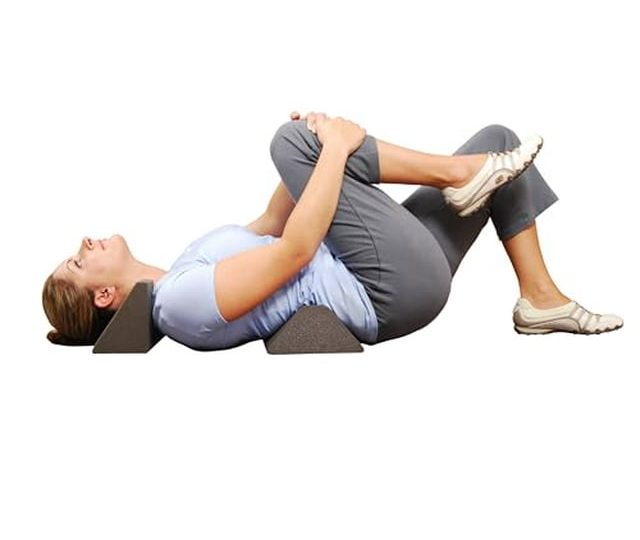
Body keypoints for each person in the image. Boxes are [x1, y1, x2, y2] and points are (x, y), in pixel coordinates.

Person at [42, 112, 623, 349]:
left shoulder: (185, 267)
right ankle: (457, 175)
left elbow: (275, 224)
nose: (85, 243)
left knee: (497, 142)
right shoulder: (179, 305)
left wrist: (315, 148)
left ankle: (540, 299)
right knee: (292, 144)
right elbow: (296, 251)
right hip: (385, 291)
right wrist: (331, 149)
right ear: (104, 295)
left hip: (383, 263)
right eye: (78, 260)